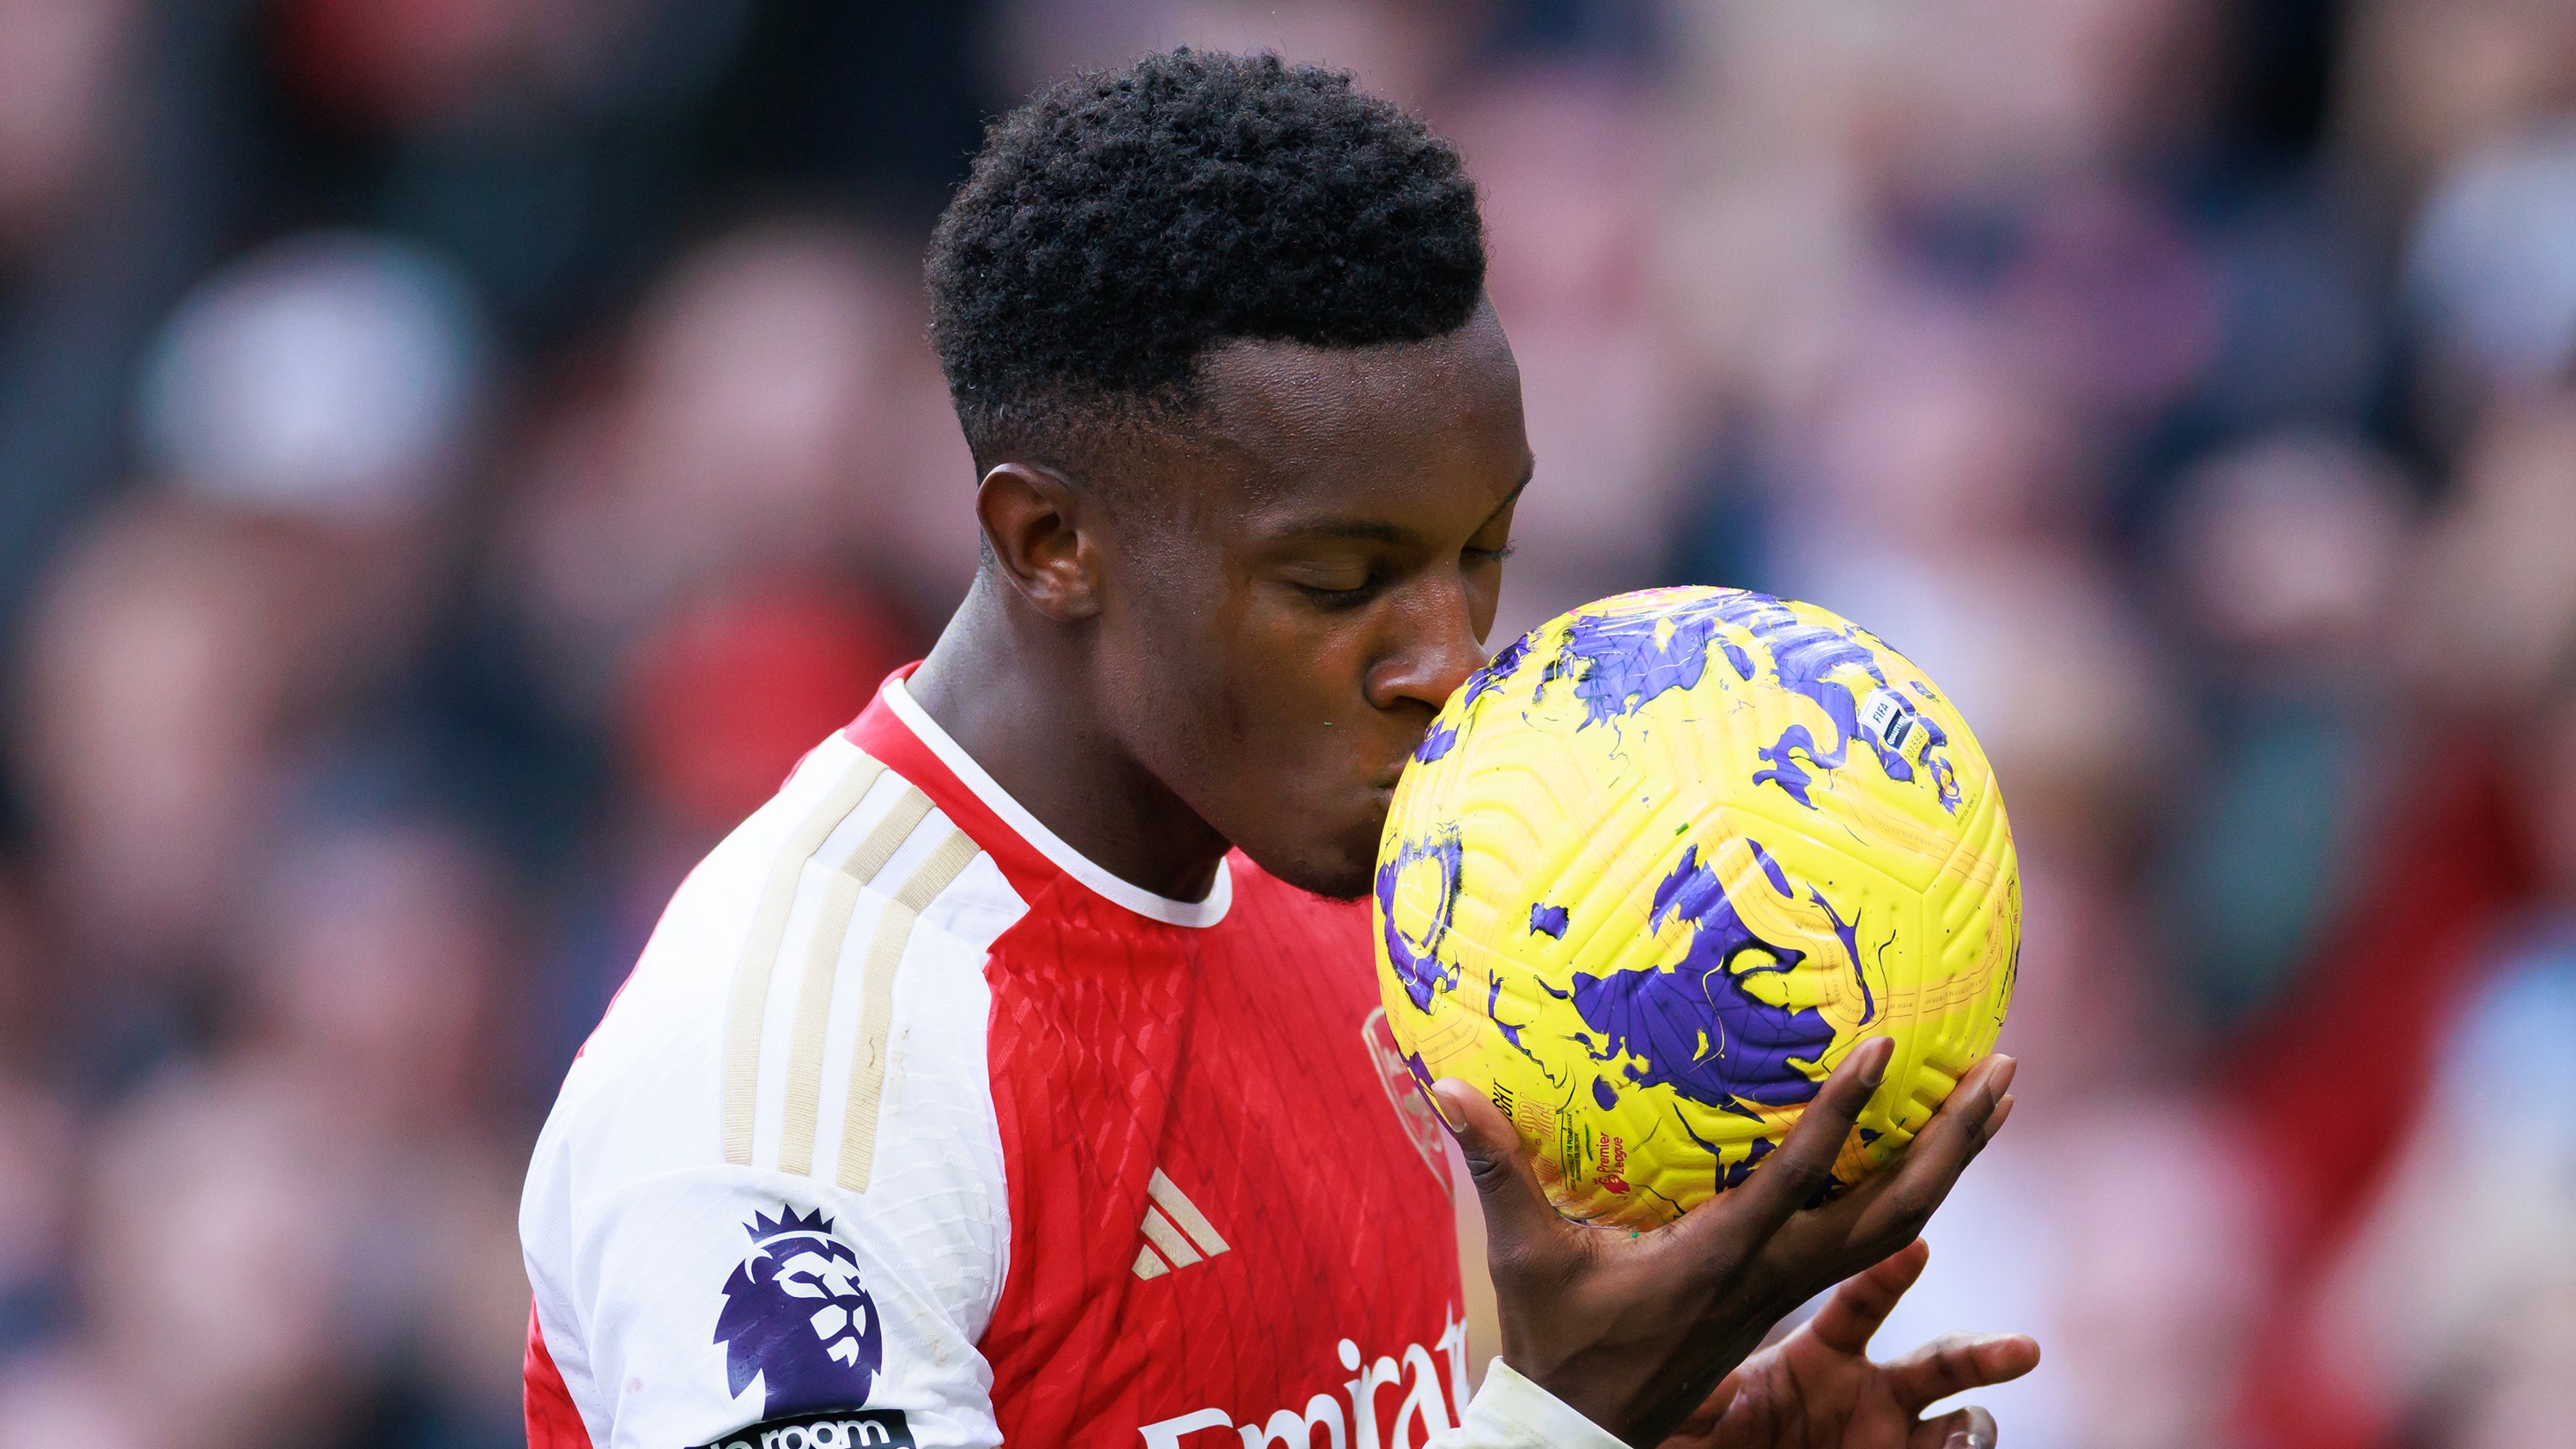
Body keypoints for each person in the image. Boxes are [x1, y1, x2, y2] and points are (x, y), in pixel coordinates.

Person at [519, 51, 2032, 1449]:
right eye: (1341, 581)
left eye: (1483, 550)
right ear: (1052, 541)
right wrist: (1562, 1426)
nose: (1450, 663)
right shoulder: (786, 1092)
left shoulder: (1413, 898)